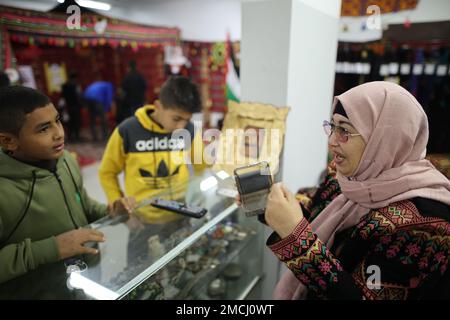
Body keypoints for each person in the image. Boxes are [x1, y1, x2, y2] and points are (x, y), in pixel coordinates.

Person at [247, 81, 450, 299]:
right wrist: (269, 207)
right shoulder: (348, 178)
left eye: (344, 130)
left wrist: (298, 242)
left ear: (383, 138)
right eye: (332, 126)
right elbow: (317, 209)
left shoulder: (428, 224)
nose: (332, 141)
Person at [0, 86, 136, 286]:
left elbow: (81, 205)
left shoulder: (66, 161)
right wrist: (53, 248)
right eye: (44, 128)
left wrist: (110, 212)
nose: (59, 134)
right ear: (8, 141)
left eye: (57, 121)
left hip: (85, 280)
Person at [99, 76, 205, 223]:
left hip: (182, 213)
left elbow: (201, 166)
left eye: (186, 120)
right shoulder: (128, 130)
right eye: (176, 118)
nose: (181, 126)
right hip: (142, 219)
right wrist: (119, 203)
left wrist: (197, 193)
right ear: (158, 106)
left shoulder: (189, 130)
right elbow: (107, 172)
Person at [61, 71, 82, 142]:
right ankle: (77, 136)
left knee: (70, 122)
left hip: (68, 106)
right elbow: (78, 95)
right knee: (76, 121)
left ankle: (70, 136)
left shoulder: (64, 85)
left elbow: (62, 96)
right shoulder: (76, 85)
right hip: (76, 106)